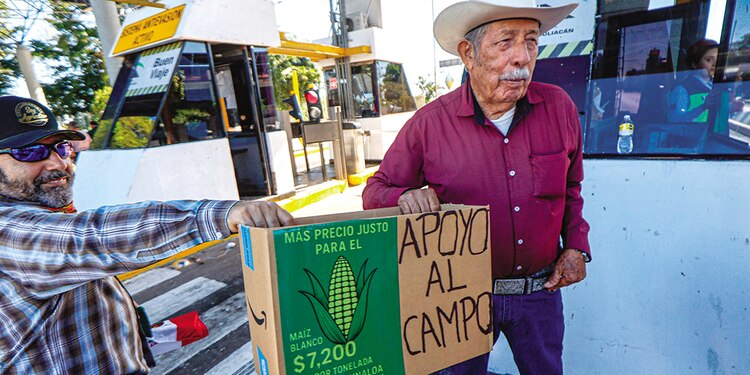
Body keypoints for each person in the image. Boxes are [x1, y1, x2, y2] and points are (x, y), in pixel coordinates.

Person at [362, 1, 590, 374]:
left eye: (531, 41)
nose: (522, 57)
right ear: (468, 54)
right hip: (461, 298)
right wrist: (402, 196)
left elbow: (572, 187)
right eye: (505, 43)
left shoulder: (559, 107)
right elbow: (376, 190)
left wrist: (577, 246)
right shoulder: (429, 125)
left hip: (540, 294)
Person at [0, 95, 294, 373]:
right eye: (30, 152)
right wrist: (219, 214)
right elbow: (91, 237)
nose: (58, 164)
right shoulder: (9, 234)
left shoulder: (43, 213)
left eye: (60, 148)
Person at [668, 39, 743, 123]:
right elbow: (675, 120)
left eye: (718, 60)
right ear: (694, 64)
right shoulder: (681, 90)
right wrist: (702, 107)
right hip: (693, 135)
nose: (714, 64)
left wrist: (731, 107)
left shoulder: (718, 87)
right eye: (709, 60)